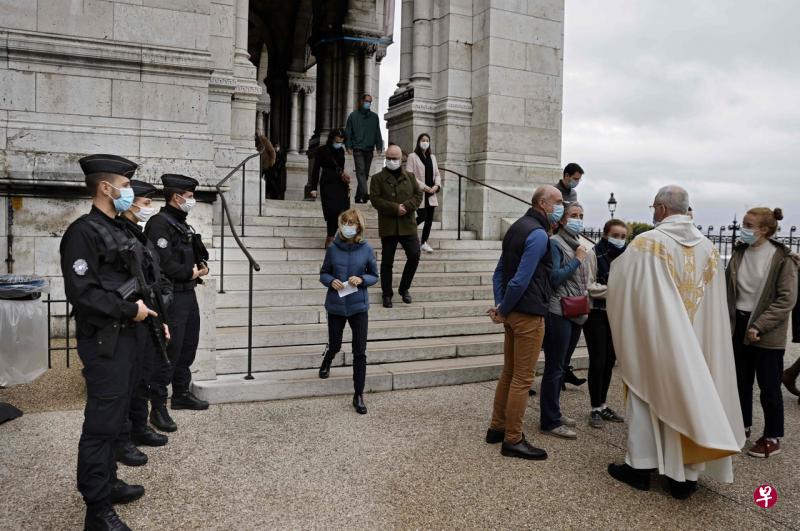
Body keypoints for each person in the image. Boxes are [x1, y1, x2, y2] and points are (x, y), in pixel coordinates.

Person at [607, 185, 745, 500]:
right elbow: (714, 305)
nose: (653, 211)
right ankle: (684, 478)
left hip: (656, 340)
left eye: (654, 206)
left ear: (662, 209)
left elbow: (626, 289)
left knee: (646, 394)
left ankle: (639, 468)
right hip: (697, 344)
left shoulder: (647, 244)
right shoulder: (709, 248)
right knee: (690, 395)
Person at [60, 154, 151, 530]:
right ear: (105, 188)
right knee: (100, 424)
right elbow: (83, 293)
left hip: (128, 339)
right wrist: (129, 311)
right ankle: (96, 509)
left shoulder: (119, 229)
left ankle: (109, 481)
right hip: (105, 341)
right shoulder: (83, 232)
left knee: (115, 420)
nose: (129, 193)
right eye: (126, 186)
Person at [486, 184, 562, 460]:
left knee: (509, 372)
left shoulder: (518, 227)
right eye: (558, 202)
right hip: (528, 313)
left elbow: (499, 273)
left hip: (514, 311)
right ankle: (513, 438)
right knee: (522, 378)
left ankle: (497, 427)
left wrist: (501, 306)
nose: (561, 207)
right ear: (543, 204)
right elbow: (521, 278)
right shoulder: (539, 234)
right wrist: (503, 308)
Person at [726, 207, 798, 457]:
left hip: (767, 330)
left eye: (748, 224)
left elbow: (786, 299)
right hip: (738, 323)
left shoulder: (782, 258)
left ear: (764, 230)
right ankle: (741, 424)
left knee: (769, 386)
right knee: (740, 382)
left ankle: (772, 436)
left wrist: (759, 326)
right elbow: (728, 289)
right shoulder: (739, 251)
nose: (742, 228)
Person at [145, 174, 210, 432]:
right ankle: (157, 408)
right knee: (169, 351)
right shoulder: (159, 224)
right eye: (190, 196)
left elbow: (190, 253)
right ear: (177, 197)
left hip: (188, 293)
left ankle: (181, 394)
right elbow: (163, 262)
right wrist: (191, 273)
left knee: (188, 347)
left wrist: (200, 265)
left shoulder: (181, 223)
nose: (192, 201)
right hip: (172, 296)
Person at [115, 180, 172, 462]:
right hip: (129, 318)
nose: (150, 208)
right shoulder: (119, 233)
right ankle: (123, 438)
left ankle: (139, 427)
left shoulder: (139, 235)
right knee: (127, 382)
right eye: (147, 203)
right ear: (131, 202)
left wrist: (161, 311)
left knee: (142, 379)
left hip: (148, 316)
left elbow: (154, 275)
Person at [318, 209, 379, 414]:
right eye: (344, 222)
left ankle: (359, 394)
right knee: (336, 342)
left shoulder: (367, 249)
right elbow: (324, 272)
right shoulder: (333, 249)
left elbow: (374, 275)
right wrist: (330, 280)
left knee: (359, 351)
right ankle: (328, 357)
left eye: (351, 223)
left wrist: (362, 280)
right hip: (336, 304)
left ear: (359, 226)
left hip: (358, 306)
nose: (347, 226)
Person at [539, 202, 589, 440]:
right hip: (558, 311)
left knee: (561, 366)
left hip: (575, 312)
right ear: (562, 220)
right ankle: (549, 420)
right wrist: (577, 260)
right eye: (573, 215)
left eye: (581, 215)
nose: (578, 219)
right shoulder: (555, 244)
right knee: (554, 367)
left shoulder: (578, 244)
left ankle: (555, 412)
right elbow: (554, 278)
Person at [584, 219, 628, 429]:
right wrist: (616, 290)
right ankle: (594, 408)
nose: (619, 240)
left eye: (622, 237)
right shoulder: (594, 253)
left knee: (610, 360)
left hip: (617, 314)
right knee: (598, 360)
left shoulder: (627, 257)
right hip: (596, 313)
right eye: (615, 235)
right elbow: (590, 286)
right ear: (605, 235)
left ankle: (603, 404)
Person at [369, 144, 423, 308]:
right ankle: (387, 294)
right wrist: (394, 208)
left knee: (414, 255)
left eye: (395, 158)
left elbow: (418, 194)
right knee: (387, 262)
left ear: (402, 159)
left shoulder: (410, 177)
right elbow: (375, 199)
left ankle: (404, 288)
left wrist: (406, 206)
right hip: (389, 226)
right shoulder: (377, 178)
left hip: (408, 225)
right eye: (389, 158)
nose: (392, 161)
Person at [309, 128, 353, 248]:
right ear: (332, 138)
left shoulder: (341, 151)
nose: (339, 143)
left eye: (341, 141)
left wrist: (345, 178)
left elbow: (341, 168)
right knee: (331, 211)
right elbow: (316, 169)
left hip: (340, 183)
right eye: (337, 140)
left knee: (344, 209)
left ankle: (344, 236)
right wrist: (313, 188)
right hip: (327, 184)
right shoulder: (322, 150)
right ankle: (330, 237)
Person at [405, 133, 442, 254]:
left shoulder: (432, 157)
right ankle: (406, 232)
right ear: (418, 142)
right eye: (423, 140)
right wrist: (426, 188)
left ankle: (424, 242)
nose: (425, 142)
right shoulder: (412, 156)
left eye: (427, 140)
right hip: (420, 192)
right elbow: (410, 175)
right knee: (422, 216)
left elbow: (437, 173)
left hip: (432, 193)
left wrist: (436, 186)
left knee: (429, 219)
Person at [345, 94, 384, 203]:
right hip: (357, 148)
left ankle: (358, 196)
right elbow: (348, 131)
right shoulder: (353, 116)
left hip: (369, 149)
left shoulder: (374, 117)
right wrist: (348, 145)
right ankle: (366, 194)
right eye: (367, 101)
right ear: (361, 101)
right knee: (361, 171)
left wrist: (379, 146)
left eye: (370, 102)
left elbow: (377, 132)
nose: (368, 103)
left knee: (365, 174)